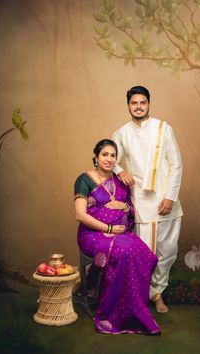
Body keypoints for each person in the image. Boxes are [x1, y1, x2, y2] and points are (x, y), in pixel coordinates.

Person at [74, 139, 160, 335]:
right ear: (96, 157)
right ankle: (112, 314)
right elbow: (80, 215)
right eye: (105, 155)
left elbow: (129, 210)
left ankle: (134, 309)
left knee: (144, 254)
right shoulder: (84, 180)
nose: (109, 159)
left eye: (113, 156)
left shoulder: (119, 180)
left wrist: (125, 207)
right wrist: (109, 227)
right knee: (125, 252)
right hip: (93, 234)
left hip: (119, 233)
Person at [112, 86, 183, 313]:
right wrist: (119, 169)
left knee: (167, 251)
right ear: (128, 105)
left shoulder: (164, 129)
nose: (139, 106)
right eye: (134, 103)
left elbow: (176, 164)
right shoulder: (121, 133)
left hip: (167, 200)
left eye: (143, 102)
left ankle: (158, 291)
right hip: (142, 202)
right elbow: (108, 156)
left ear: (149, 104)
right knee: (145, 252)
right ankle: (146, 295)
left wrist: (170, 197)